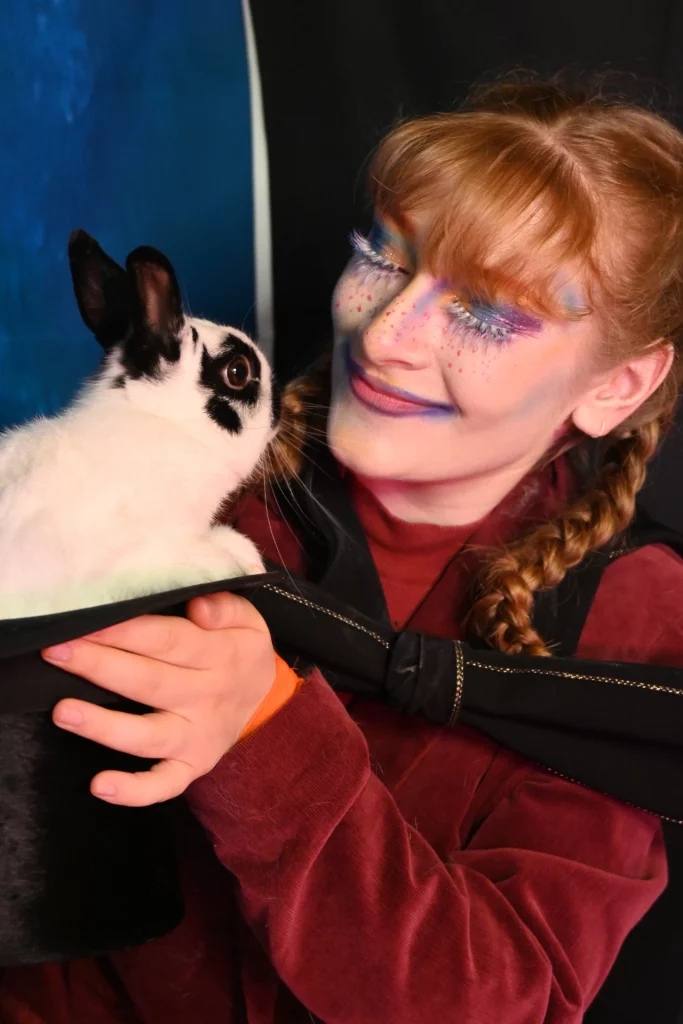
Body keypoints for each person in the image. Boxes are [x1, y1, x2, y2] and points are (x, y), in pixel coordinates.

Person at [2, 78, 683, 1023]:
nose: (385, 334)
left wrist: (266, 727)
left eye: (484, 312)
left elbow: (493, 999)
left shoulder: (634, 632)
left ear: (617, 385)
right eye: (382, 257)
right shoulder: (184, 491)